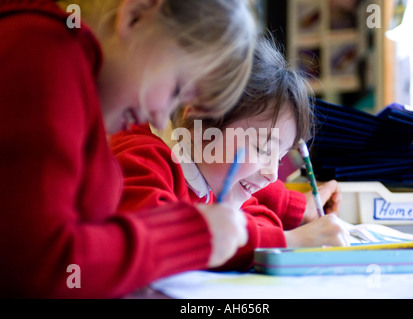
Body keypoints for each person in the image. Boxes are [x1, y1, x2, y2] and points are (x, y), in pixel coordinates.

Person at [0, 0, 256, 298]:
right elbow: (44, 264)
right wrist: (189, 235)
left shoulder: (81, 89)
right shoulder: (44, 52)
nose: (161, 117)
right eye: (175, 89)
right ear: (135, 15)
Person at [110, 37, 350, 271]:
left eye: (279, 157)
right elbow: (169, 241)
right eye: (262, 148)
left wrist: (292, 210)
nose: (272, 174)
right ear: (197, 118)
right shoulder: (143, 161)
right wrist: (290, 241)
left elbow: (255, 217)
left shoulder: (208, 173)